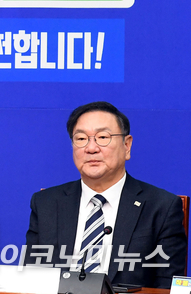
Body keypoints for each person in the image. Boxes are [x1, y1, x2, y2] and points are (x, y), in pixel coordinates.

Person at [25, 101, 187, 288]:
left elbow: (167, 287)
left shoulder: (161, 207)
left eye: (103, 137)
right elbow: (31, 280)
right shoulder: (46, 204)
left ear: (127, 146)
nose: (91, 148)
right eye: (81, 139)